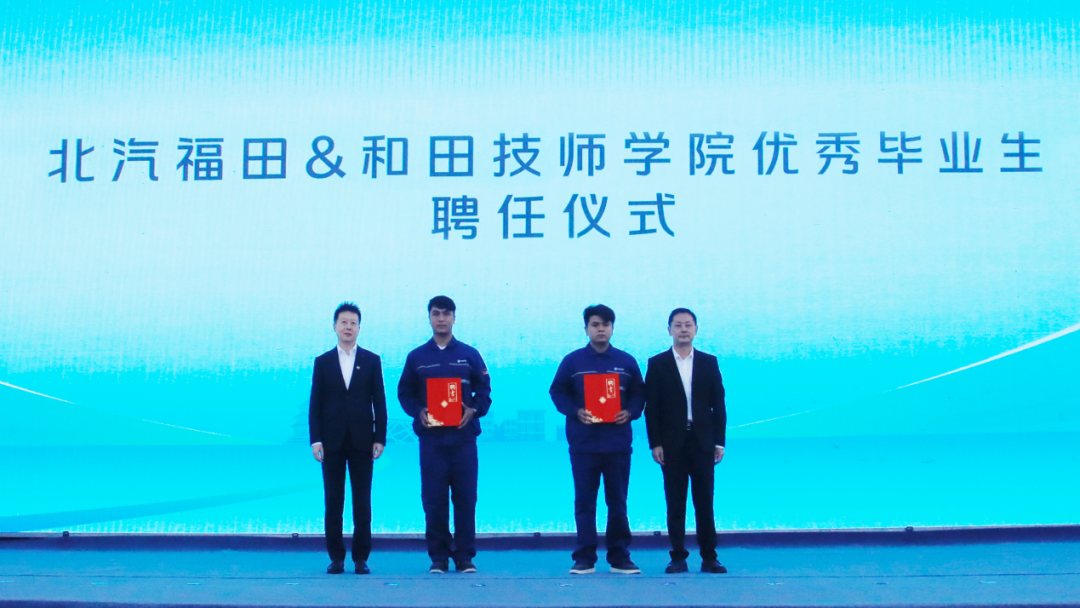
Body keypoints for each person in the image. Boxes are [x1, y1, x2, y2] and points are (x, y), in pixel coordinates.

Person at [398, 296, 492, 574]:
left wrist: (473, 410)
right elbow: (404, 393)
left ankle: (464, 557)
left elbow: (484, 391)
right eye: (436, 313)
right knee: (434, 499)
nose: (441, 318)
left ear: (454, 318)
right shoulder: (416, 357)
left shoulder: (470, 354)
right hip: (432, 441)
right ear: (429, 318)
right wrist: (419, 411)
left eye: (446, 313)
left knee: (466, 498)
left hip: (464, 439)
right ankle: (438, 557)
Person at [549, 304, 645, 575]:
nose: (600, 329)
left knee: (618, 502)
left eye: (605, 324)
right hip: (584, 444)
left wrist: (630, 412)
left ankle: (619, 557)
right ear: (586, 329)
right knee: (584, 502)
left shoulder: (626, 361)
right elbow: (557, 392)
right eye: (595, 324)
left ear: (612, 328)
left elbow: (639, 394)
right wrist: (575, 411)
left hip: (618, 444)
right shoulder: (573, 361)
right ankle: (584, 557)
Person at [644, 308, 727, 574]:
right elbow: (651, 407)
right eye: (678, 325)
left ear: (696, 330)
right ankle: (678, 557)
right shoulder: (657, 363)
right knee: (675, 502)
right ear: (669, 330)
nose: (683, 329)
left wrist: (719, 442)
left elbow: (718, 404)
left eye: (688, 325)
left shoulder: (709, 362)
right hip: (672, 444)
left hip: (702, 442)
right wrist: (655, 443)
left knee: (705, 502)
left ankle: (709, 557)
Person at [309, 302, 388, 575]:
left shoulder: (371, 360)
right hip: (331, 442)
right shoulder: (323, 362)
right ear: (334, 326)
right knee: (333, 501)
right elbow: (315, 403)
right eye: (343, 322)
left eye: (353, 322)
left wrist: (380, 438)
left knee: (362, 501)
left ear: (359, 328)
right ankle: (336, 558)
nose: (348, 327)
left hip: (363, 441)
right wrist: (315, 439)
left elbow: (379, 401)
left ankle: (361, 558)